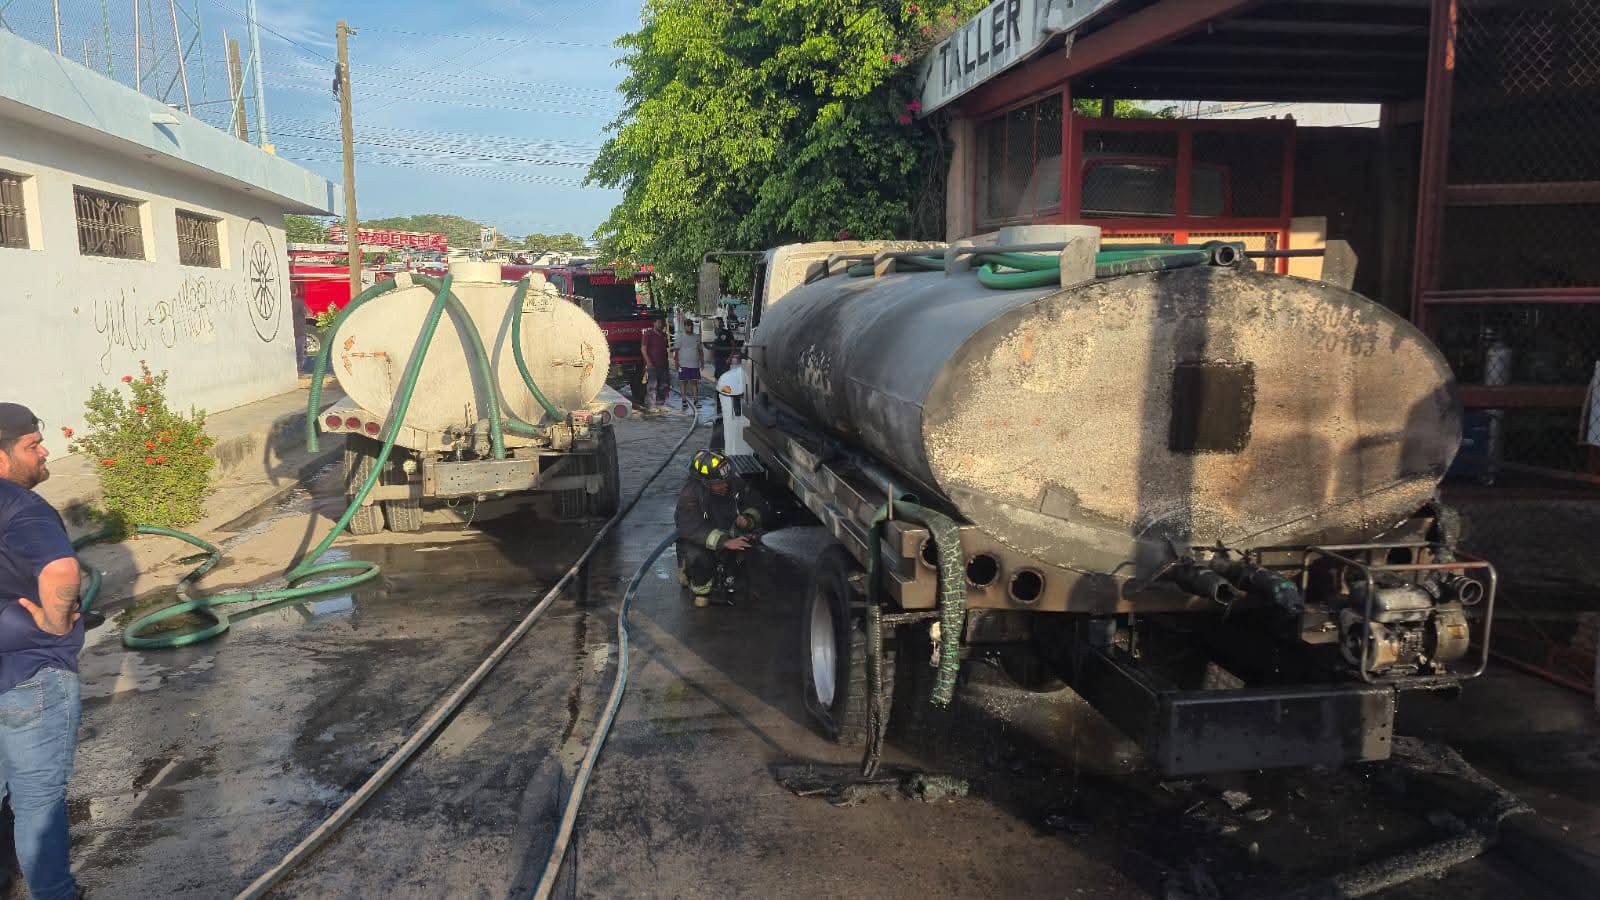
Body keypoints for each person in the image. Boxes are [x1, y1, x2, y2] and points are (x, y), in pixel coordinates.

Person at [0, 403, 84, 900]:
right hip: (31, 678)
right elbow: (61, 572)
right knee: (38, 801)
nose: (44, 451)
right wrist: (56, 623)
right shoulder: (21, 507)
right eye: (32, 445)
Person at [675, 449, 768, 607]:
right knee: (698, 557)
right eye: (718, 483)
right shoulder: (690, 496)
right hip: (703, 541)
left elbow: (756, 502)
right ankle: (699, 586)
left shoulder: (731, 483)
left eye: (726, 480)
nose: (725, 485)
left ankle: (737, 580)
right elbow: (690, 527)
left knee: (756, 547)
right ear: (705, 482)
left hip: (730, 536)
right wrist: (724, 542)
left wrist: (748, 519)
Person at [640, 317, 670, 415]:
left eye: (661, 323)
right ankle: (651, 405)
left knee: (663, 385)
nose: (660, 324)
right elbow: (643, 349)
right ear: (654, 323)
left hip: (663, 364)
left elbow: (666, 349)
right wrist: (648, 362)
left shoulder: (663, 335)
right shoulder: (648, 334)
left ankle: (660, 404)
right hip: (652, 364)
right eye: (658, 322)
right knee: (652, 385)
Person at [675, 321, 704, 413]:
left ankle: (695, 400)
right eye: (688, 326)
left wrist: (702, 362)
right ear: (685, 326)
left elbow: (700, 350)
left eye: (691, 326)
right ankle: (684, 400)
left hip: (694, 364)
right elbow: (676, 350)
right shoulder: (680, 337)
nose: (690, 327)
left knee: (694, 382)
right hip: (683, 364)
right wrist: (676, 362)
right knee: (683, 382)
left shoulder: (697, 337)